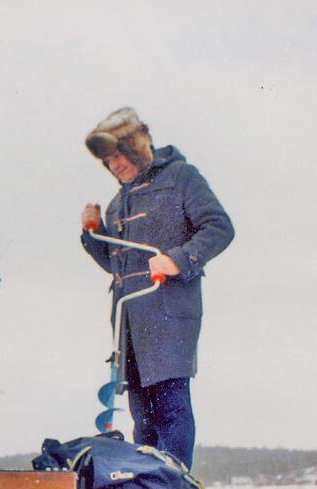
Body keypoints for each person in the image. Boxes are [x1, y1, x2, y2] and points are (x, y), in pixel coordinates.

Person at [79, 107, 233, 469]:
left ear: (136, 148)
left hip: (168, 315)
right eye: (109, 160)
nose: (115, 164)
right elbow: (119, 266)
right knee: (142, 416)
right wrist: (94, 234)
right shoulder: (119, 203)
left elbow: (219, 227)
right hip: (129, 323)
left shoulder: (181, 177)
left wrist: (179, 259)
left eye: (119, 155)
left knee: (170, 405)